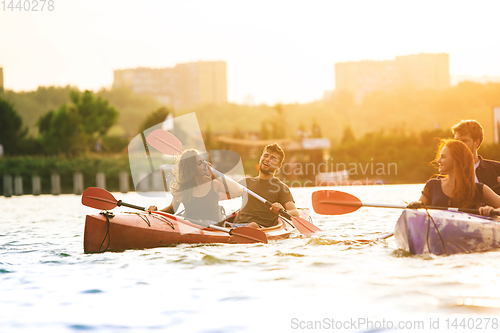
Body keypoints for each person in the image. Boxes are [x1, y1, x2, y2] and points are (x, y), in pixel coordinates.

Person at [148, 149, 241, 224]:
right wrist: (155, 212)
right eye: (200, 163)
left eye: (204, 160)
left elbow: (238, 192)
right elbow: (172, 209)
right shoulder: (183, 189)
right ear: (191, 169)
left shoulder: (214, 184)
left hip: (213, 227)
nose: (205, 164)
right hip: (191, 226)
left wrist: (215, 174)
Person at [410, 139, 500, 216]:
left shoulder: (479, 189)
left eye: (443, 157)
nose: (438, 160)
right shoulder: (432, 185)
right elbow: (417, 212)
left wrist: (492, 210)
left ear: (457, 161)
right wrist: (415, 205)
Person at [234, 143, 300, 228]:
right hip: (237, 226)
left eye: (273, 159)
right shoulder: (246, 182)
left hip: (259, 228)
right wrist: (212, 176)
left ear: (278, 167)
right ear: (260, 158)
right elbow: (223, 191)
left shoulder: (281, 188)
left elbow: (295, 213)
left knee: (253, 225)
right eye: (266, 156)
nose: (267, 159)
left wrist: (281, 211)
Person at [452, 119, 500, 195]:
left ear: (476, 143)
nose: (459, 144)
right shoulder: (446, 175)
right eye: (456, 141)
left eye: (464, 141)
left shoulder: (497, 170)